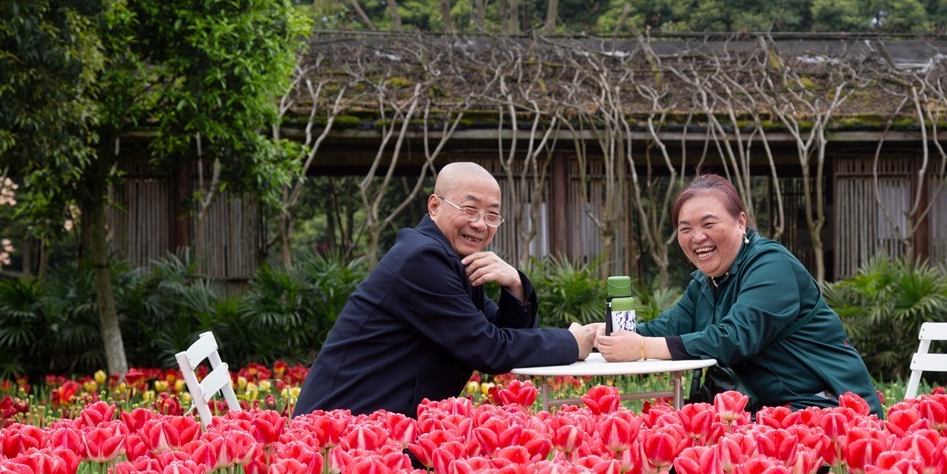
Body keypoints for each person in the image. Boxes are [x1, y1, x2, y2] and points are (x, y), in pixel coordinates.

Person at [295, 162, 596, 417]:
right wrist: (571, 343)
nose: (480, 224)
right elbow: (489, 348)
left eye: (492, 215)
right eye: (469, 209)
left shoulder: (454, 259)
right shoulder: (422, 259)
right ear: (434, 205)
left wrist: (516, 286)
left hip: (381, 429)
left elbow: (499, 334)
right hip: (341, 433)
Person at [594, 174, 883, 417]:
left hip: (827, 405)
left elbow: (735, 338)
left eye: (708, 224)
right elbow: (666, 329)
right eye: (686, 229)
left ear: (741, 222)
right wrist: (601, 335)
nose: (697, 237)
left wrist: (643, 347)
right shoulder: (707, 282)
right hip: (762, 409)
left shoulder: (771, 266)